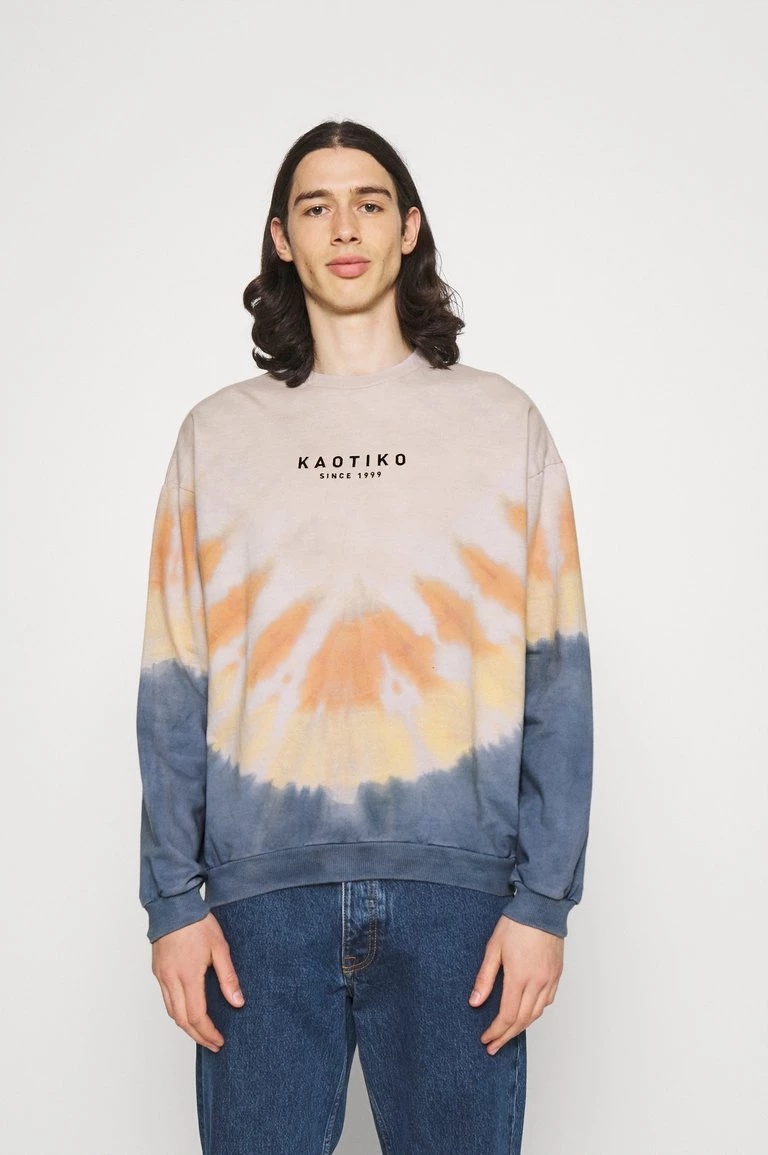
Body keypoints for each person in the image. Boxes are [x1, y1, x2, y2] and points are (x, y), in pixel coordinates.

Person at [136, 118, 594, 1155]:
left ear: (408, 228)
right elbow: (173, 677)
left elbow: (557, 677)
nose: (344, 227)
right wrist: (172, 903)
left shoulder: (501, 422)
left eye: (369, 202)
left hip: (458, 902)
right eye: (315, 206)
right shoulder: (216, 435)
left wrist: (541, 903)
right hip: (257, 905)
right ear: (282, 238)